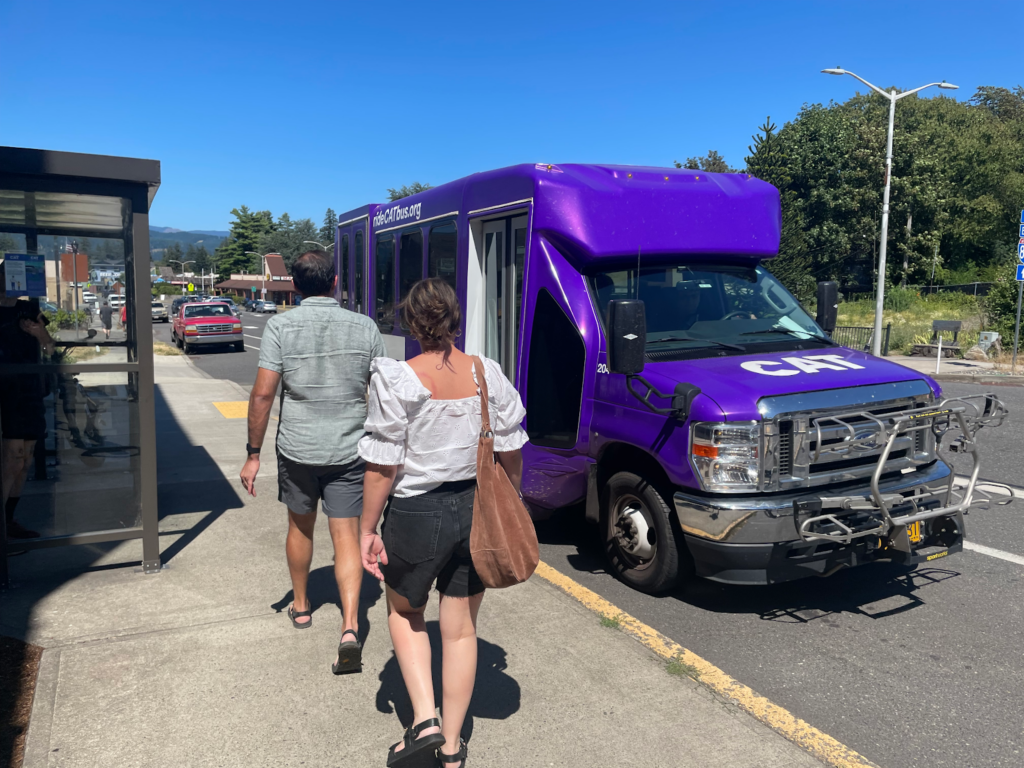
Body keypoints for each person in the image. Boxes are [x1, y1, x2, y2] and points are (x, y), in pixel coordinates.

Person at [359, 278, 527, 768]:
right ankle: (452, 748)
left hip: (416, 513)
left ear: (411, 322)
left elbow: (382, 467)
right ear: (456, 319)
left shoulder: (397, 378)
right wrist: (510, 500)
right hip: (475, 509)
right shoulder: (485, 373)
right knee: (460, 630)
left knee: (405, 612)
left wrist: (368, 528)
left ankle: (425, 719)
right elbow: (511, 447)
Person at [240, 250, 385, 674]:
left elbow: (264, 394)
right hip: (349, 448)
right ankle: (350, 626)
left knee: (299, 526)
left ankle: (301, 607)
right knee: (347, 537)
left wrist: (253, 454)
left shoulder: (281, 326)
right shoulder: (365, 327)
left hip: (298, 448)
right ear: (336, 281)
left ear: (296, 286)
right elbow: (381, 393)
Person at [1, 273, 54, 540]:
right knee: (12, 458)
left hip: (30, 389)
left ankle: (10, 519)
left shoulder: (29, 309)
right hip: (6, 392)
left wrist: (39, 333)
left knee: (26, 459)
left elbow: (49, 349)